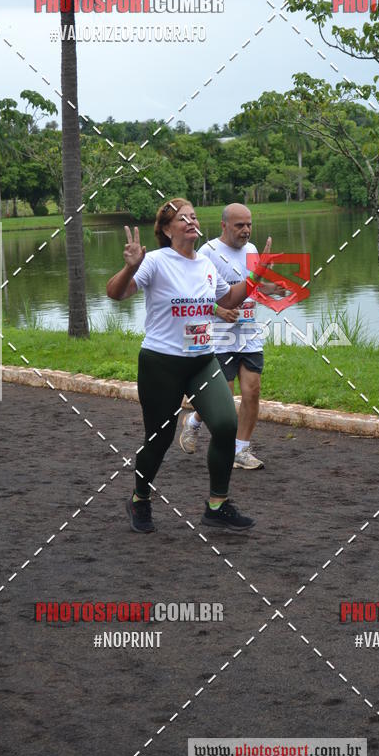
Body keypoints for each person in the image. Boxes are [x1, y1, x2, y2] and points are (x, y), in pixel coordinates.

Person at [106, 197, 270, 534]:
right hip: (161, 364)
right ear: (167, 229)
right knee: (160, 439)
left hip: (202, 362)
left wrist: (256, 276)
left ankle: (217, 506)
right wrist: (130, 267)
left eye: (194, 216)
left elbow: (228, 298)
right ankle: (139, 499)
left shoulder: (206, 265)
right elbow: (115, 293)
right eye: (183, 218)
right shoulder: (155, 261)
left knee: (225, 424)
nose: (192, 221)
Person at [179, 203, 280, 470]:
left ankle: (241, 450)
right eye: (239, 225)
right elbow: (193, 295)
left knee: (252, 391)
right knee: (223, 396)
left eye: (249, 225)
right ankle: (194, 421)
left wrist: (272, 289)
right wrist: (220, 311)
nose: (246, 230)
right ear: (224, 225)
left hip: (248, 333)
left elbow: (252, 287)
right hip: (217, 336)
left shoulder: (252, 250)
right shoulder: (207, 253)